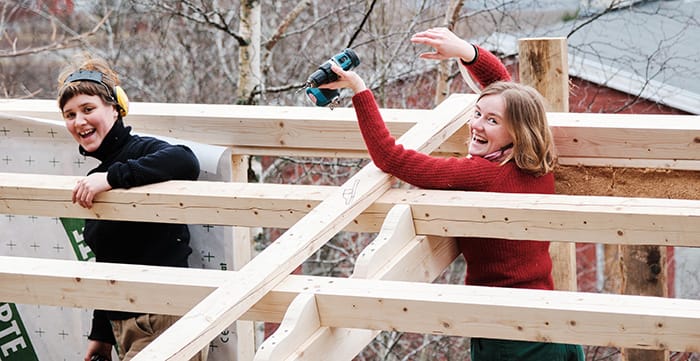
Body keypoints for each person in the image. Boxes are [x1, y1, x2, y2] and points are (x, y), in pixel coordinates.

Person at [320, 27, 585, 361]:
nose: (476, 124)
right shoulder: (537, 164)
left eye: (491, 121)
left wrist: (359, 90)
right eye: (477, 113)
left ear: (517, 131)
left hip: (509, 335)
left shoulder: (480, 174)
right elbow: (505, 92)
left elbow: (390, 158)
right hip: (555, 324)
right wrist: (466, 51)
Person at [56, 54, 208, 361]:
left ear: (115, 108)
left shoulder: (138, 151)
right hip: (124, 324)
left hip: (162, 317)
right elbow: (109, 260)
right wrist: (102, 335)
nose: (79, 121)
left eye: (88, 109)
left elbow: (185, 160)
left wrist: (111, 179)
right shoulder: (96, 177)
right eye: (70, 114)